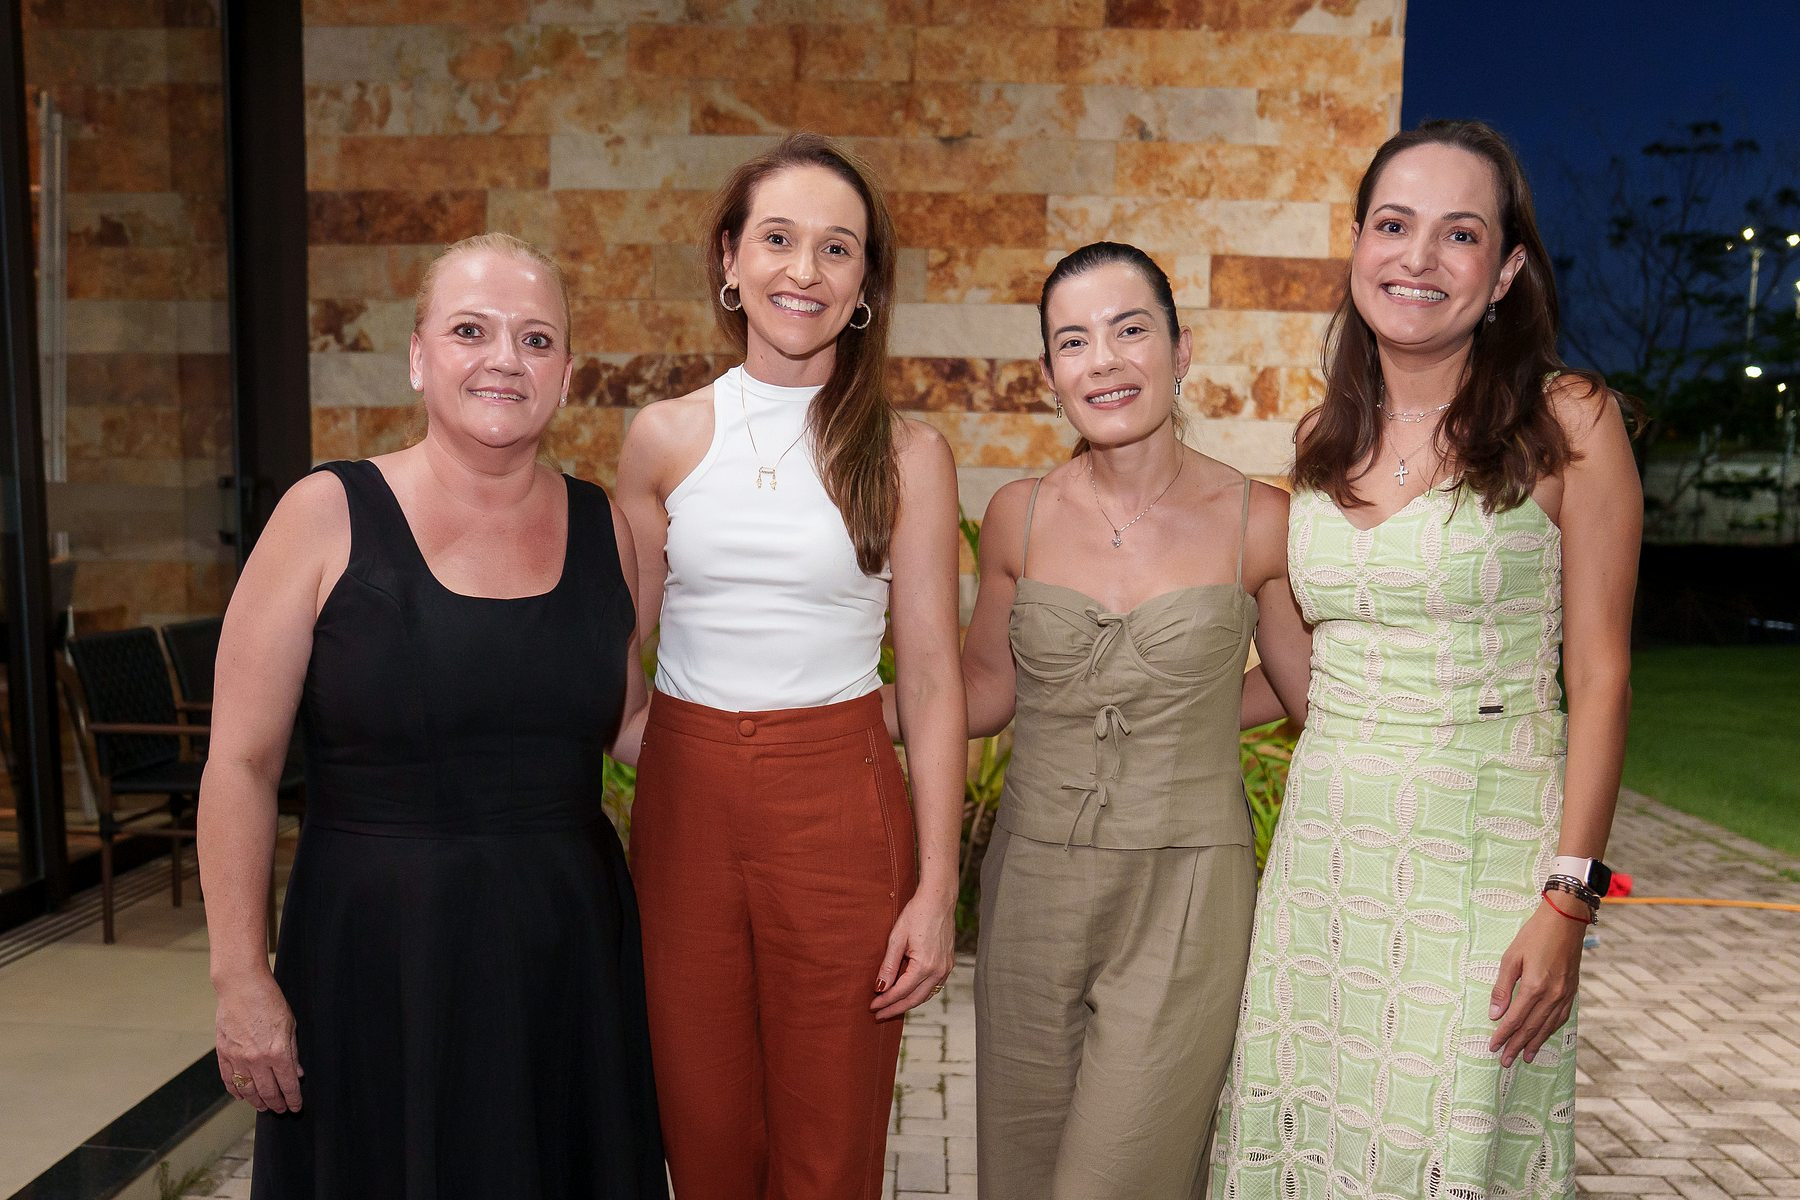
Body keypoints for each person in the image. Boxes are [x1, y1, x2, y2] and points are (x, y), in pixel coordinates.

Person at [1212, 120, 1641, 1199]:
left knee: (1450, 1142)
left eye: (1460, 234)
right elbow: (1316, 679)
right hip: (1325, 867)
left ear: (1506, 271)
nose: (1419, 257)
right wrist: (1146, 707)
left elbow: (1600, 679)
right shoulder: (1321, 443)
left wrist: (1569, 900)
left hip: (1484, 861)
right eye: (1394, 225)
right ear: (1358, 243)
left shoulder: (1570, 423)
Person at [197, 233, 666, 1198]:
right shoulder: (325, 514)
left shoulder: (602, 526)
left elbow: (626, 721)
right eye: (470, 330)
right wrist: (239, 976)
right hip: (377, 962)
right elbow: (240, 764)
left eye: (536, 338)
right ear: (418, 357)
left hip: (567, 958)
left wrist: (806, 719)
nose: (505, 359)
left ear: (566, 373)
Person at [612, 133, 964, 1200]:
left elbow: (932, 682)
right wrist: (678, 747)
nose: (803, 270)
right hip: (686, 812)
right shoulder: (663, 438)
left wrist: (938, 886)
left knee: (829, 1146)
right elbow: (617, 653)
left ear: (866, 285)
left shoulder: (905, 454)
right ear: (730, 258)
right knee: (704, 1133)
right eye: (777, 238)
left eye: (836, 248)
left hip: (840, 815)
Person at [957, 241, 1312, 1198]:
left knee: (1119, 1178)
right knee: (1022, 1176)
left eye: (1129, 330)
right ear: (1048, 374)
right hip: (1030, 888)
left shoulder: (1259, 520)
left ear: (1180, 349)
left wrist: (1189, 720)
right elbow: (985, 690)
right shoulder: (1018, 515)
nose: (1103, 361)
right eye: (1073, 341)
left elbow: (1306, 695)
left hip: (1185, 897)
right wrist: (833, 708)